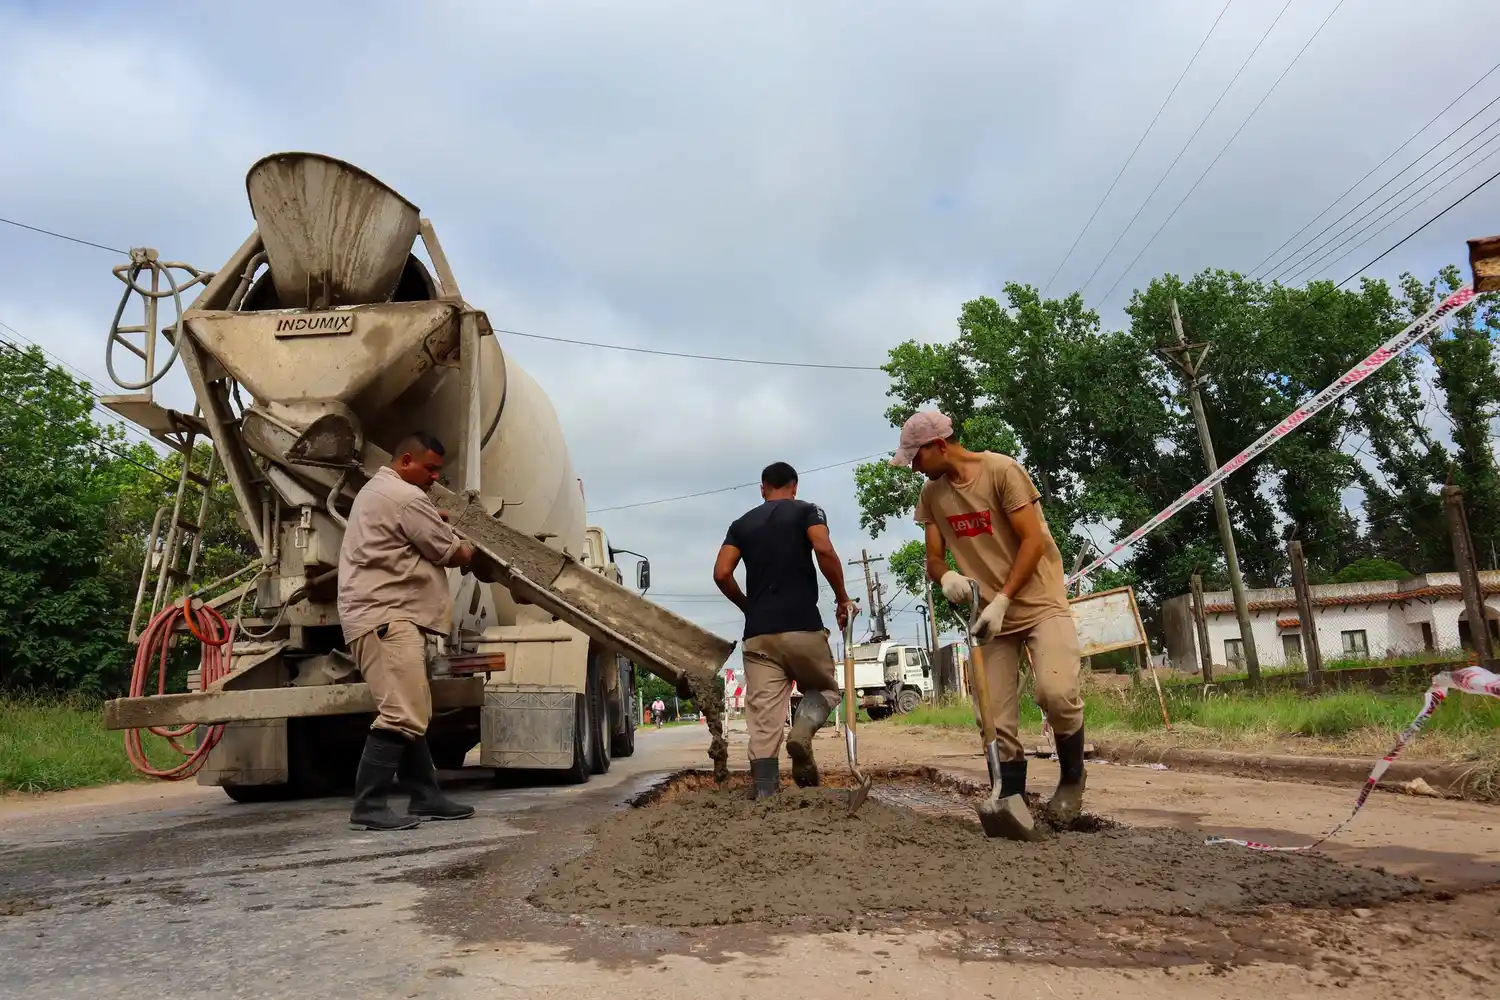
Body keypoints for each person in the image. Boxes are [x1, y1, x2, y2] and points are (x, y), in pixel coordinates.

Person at [891, 410, 1087, 839]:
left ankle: (1072, 779)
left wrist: (1003, 599)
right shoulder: (931, 495)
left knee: (1056, 692)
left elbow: (1033, 540)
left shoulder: (1001, 471)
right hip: (988, 617)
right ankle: (1009, 800)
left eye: (916, 456)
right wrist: (946, 577)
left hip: (1038, 602)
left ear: (939, 445)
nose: (914, 466)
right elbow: (934, 558)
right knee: (992, 716)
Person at [338, 431, 479, 831]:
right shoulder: (407, 498)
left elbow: (416, 528)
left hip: (378, 617)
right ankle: (368, 804)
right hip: (387, 619)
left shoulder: (379, 490)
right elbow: (448, 552)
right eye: (430, 468)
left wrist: (439, 520)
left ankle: (426, 795)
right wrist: (473, 548)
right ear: (405, 461)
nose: (435, 477)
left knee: (413, 709)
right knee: (401, 712)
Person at [712, 462, 855, 798]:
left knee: (764, 718)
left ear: (763, 488)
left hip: (759, 635)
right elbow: (823, 548)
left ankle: (765, 793)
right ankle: (802, 729)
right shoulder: (808, 511)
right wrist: (842, 598)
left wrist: (749, 607)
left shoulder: (741, 524)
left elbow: (721, 573)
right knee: (826, 689)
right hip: (803, 626)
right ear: (795, 486)